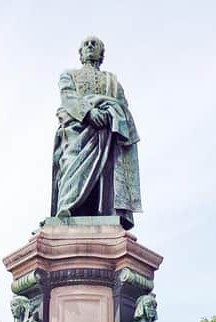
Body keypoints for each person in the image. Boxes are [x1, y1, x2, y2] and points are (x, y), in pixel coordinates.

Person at [51, 36, 142, 230]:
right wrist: (89, 112)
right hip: (77, 131)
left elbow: (122, 106)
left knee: (104, 175)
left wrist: (109, 113)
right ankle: (69, 209)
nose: (90, 46)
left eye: (95, 44)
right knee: (71, 167)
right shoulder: (69, 75)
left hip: (106, 134)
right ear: (81, 53)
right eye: (86, 44)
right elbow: (68, 97)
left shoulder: (112, 81)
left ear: (102, 54)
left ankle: (103, 213)